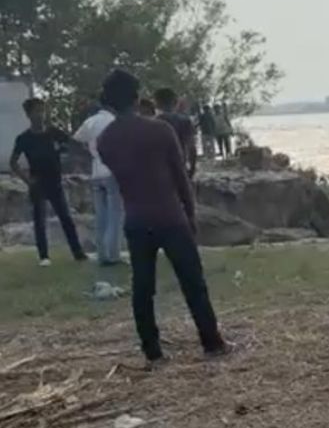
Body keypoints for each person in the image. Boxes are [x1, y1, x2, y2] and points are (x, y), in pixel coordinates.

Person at [97, 70, 230, 365]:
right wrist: (190, 213)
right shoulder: (159, 131)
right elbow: (180, 177)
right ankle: (212, 342)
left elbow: (123, 177)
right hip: (169, 216)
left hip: (135, 219)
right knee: (193, 282)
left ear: (110, 102)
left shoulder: (106, 139)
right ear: (136, 96)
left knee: (143, 288)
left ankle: (153, 352)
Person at [8, 98, 88, 265]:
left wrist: (80, 152)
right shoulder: (24, 138)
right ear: (28, 114)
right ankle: (44, 256)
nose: (40, 115)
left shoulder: (53, 132)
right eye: (36, 111)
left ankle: (78, 252)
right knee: (40, 220)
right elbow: (13, 162)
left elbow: (73, 144)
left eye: (42, 111)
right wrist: (27, 180)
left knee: (66, 217)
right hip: (38, 182)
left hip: (56, 181)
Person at [73, 100, 125, 265]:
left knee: (101, 217)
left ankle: (102, 254)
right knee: (115, 216)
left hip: (96, 171)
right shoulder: (115, 122)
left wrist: (89, 152)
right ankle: (113, 254)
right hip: (112, 171)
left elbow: (76, 138)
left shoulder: (91, 121)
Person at [154, 87, 198, 178]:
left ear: (157, 103)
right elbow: (191, 147)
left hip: (159, 170)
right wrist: (192, 168)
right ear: (175, 102)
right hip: (180, 167)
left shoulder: (152, 123)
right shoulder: (185, 121)